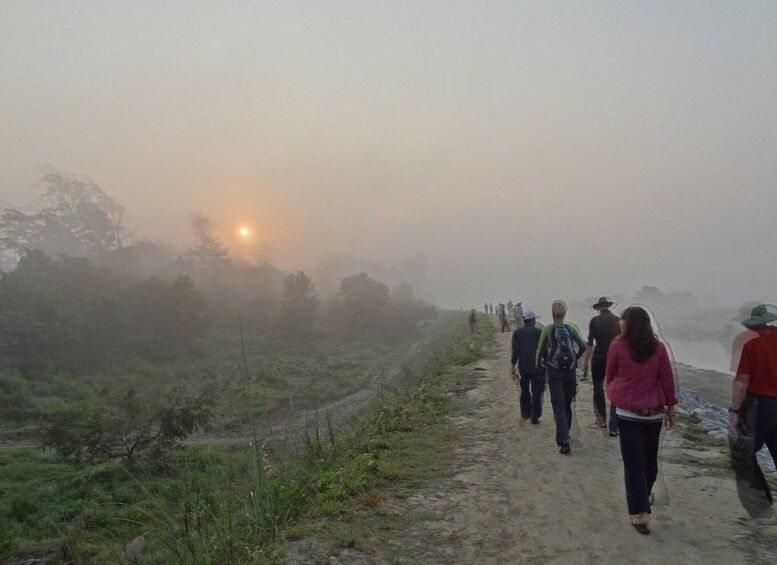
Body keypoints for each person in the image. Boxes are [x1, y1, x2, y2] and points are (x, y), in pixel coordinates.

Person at [606, 306, 678, 535]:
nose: (620, 323)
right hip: (653, 414)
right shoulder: (658, 348)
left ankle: (641, 512)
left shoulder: (617, 346)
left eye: (622, 320)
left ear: (628, 323)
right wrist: (671, 410)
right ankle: (644, 498)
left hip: (627, 414)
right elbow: (667, 380)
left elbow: (611, 375)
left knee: (634, 463)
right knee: (649, 460)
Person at [728, 304, 777, 514]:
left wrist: (735, 410)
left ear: (747, 322)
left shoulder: (746, 341)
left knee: (742, 454)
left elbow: (742, 380)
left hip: (759, 404)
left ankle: (761, 509)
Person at [536, 300, 586, 454]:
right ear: (565, 313)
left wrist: (539, 364)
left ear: (552, 314)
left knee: (558, 405)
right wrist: (575, 359)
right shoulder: (572, 328)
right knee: (567, 403)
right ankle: (567, 432)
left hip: (554, 371)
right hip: (570, 371)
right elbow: (583, 346)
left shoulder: (547, 330)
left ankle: (563, 439)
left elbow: (540, 350)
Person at [581, 296, 621, 437]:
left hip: (598, 356)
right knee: (615, 388)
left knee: (597, 386)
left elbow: (590, 344)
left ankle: (601, 419)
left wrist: (585, 362)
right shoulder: (617, 321)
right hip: (615, 356)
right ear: (609, 306)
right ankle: (614, 426)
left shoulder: (594, 321)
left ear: (598, 307)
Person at [511, 310, 544, 424]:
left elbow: (515, 352)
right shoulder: (539, 332)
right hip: (537, 367)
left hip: (523, 367)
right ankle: (534, 417)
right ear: (533, 320)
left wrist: (513, 366)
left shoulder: (517, 333)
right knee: (536, 392)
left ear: (525, 321)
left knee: (524, 390)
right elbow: (544, 350)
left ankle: (525, 413)